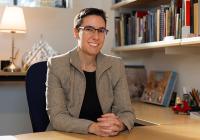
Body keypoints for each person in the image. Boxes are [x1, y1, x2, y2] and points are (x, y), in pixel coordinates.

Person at [46, 8, 135, 137]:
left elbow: (127, 113)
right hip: (66, 136)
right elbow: (57, 117)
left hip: (105, 136)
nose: (96, 37)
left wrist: (119, 124)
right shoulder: (57, 65)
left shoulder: (116, 65)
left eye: (101, 30)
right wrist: (93, 127)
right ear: (76, 32)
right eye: (89, 29)